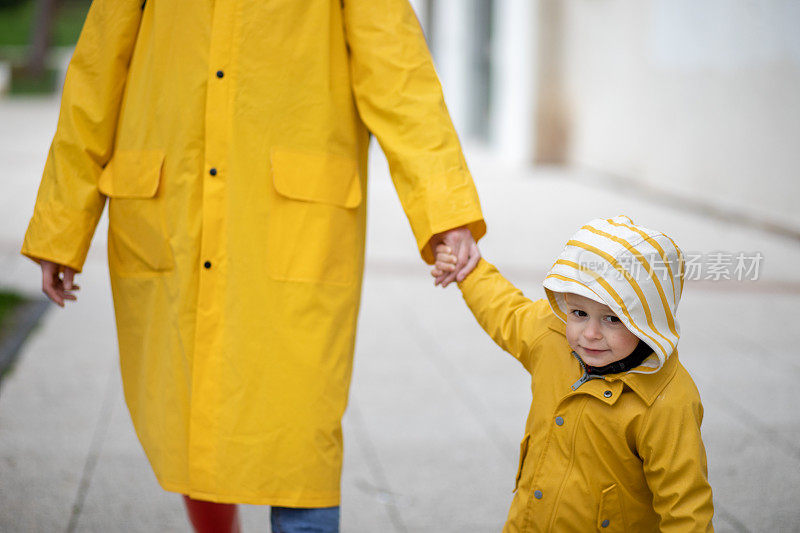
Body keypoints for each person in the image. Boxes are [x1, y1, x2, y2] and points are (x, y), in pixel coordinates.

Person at [21, 1, 484, 532]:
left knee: (300, 437)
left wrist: (445, 212)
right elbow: (97, 73)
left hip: (294, 226)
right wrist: (63, 227)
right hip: (175, 212)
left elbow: (400, 75)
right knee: (191, 417)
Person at [432, 215, 714, 531]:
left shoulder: (666, 400)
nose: (590, 333)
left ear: (648, 320)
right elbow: (505, 310)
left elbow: (685, 507)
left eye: (612, 319)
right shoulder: (551, 336)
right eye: (579, 313)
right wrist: (469, 269)